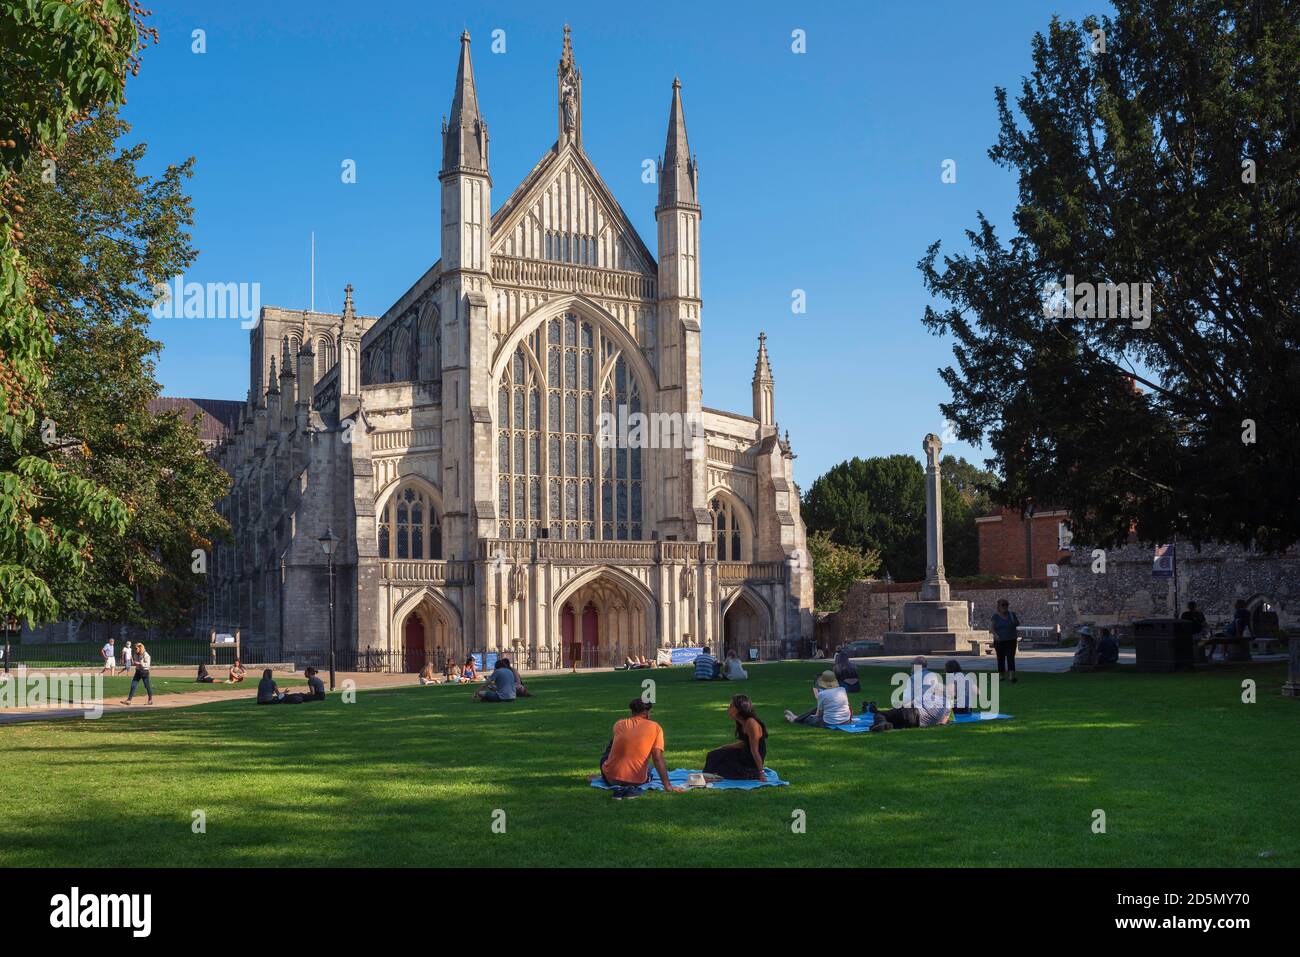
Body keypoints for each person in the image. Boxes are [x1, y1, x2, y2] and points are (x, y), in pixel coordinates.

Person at [591, 698, 681, 798]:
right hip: (637, 782)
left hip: (611, 779)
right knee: (649, 767)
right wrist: (668, 786)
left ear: (632, 711)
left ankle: (605, 774)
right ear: (647, 713)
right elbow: (657, 758)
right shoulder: (656, 727)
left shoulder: (619, 724)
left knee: (607, 753)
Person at [863, 666, 951, 730]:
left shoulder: (928, 696)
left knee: (881, 715)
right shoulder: (947, 705)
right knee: (894, 720)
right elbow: (943, 722)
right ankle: (887, 724)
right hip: (916, 724)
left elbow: (908, 704)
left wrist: (895, 709)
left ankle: (881, 721)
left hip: (912, 713)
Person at [703, 694, 767, 781]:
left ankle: (709, 777)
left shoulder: (751, 723)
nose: (728, 709)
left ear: (739, 709)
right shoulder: (741, 721)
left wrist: (761, 772)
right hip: (744, 754)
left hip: (750, 764)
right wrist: (724, 747)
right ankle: (708, 776)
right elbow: (745, 743)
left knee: (721, 767)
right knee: (714, 755)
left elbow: (755, 750)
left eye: (731, 706)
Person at [784, 671, 853, 727]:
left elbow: (820, 713)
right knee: (815, 709)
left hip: (830, 722)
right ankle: (797, 717)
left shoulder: (822, 694)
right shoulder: (842, 689)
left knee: (810, 719)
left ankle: (795, 719)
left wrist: (814, 716)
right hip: (846, 720)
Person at [990, 599, 1020, 682]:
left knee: (1010, 657)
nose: (1005, 607)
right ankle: (1001, 675)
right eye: (1003, 605)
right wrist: (996, 635)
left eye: (1006, 605)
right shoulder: (995, 616)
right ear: (999, 607)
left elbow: (1017, 623)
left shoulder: (1012, 614)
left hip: (1011, 639)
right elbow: (992, 628)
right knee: (1001, 658)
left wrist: (1014, 620)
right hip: (999, 641)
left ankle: (1011, 676)